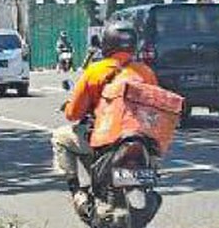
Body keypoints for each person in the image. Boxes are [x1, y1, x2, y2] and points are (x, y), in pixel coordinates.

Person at [53, 20, 156, 212]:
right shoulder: (146, 72)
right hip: (139, 137)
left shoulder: (95, 71)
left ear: (106, 43)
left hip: (104, 138)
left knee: (60, 137)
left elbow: (73, 113)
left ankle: (76, 190)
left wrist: (68, 108)